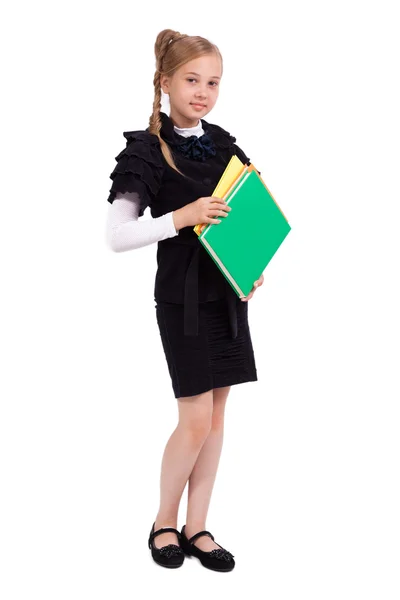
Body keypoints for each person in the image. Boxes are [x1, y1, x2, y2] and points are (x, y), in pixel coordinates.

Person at [106, 28, 265, 571]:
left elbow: (243, 217)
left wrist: (252, 262)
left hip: (228, 296)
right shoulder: (146, 151)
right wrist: (180, 218)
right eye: (192, 80)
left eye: (213, 82)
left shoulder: (224, 144)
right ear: (165, 82)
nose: (202, 91)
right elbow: (117, 236)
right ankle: (164, 521)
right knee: (194, 419)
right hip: (183, 301)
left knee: (217, 419)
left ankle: (198, 527)